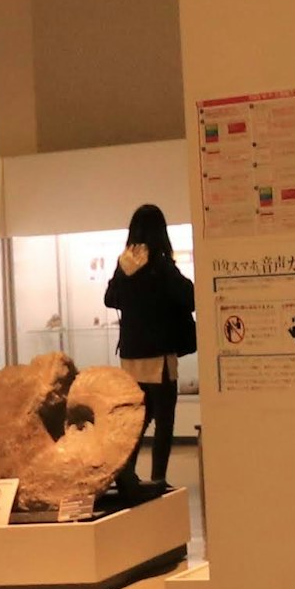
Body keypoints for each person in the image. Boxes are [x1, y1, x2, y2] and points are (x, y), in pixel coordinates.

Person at [101, 206, 197, 494]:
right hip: (159, 355)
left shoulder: (125, 263)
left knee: (137, 417)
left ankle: (126, 470)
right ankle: (158, 477)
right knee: (164, 418)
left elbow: (110, 299)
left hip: (131, 355)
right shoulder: (160, 264)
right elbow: (189, 296)